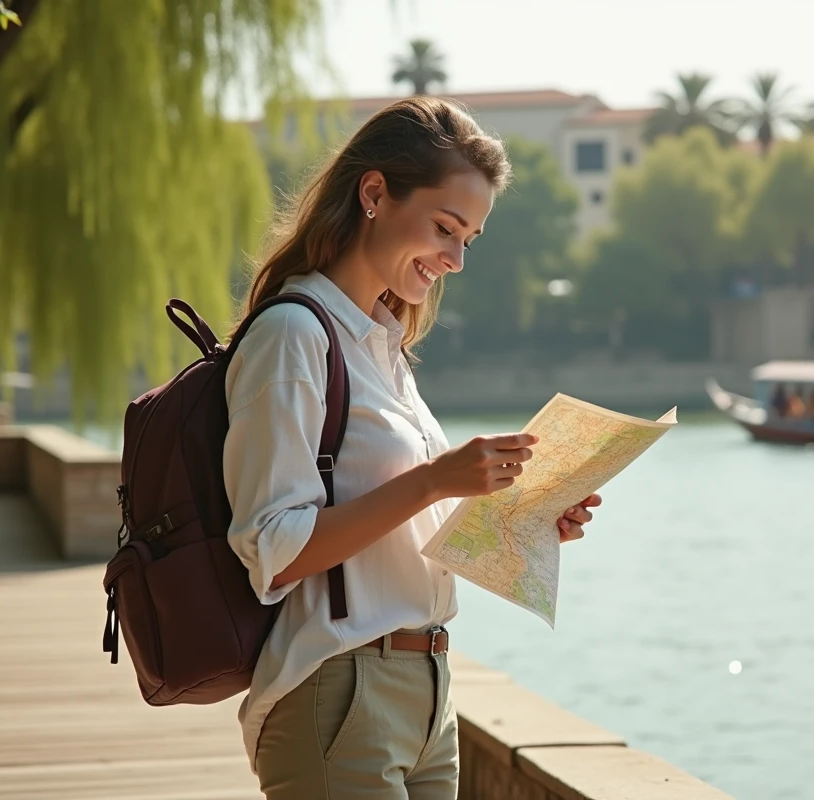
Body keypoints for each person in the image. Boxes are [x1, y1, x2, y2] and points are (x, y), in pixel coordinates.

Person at [221, 97, 600, 800]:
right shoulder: (294, 336)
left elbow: (396, 536)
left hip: (429, 692)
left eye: (470, 240)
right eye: (445, 228)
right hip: (340, 690)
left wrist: (527, 521)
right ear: (374, 194)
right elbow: (273, 549)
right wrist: (433, 481)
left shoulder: (385, 348)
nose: (456, 259)